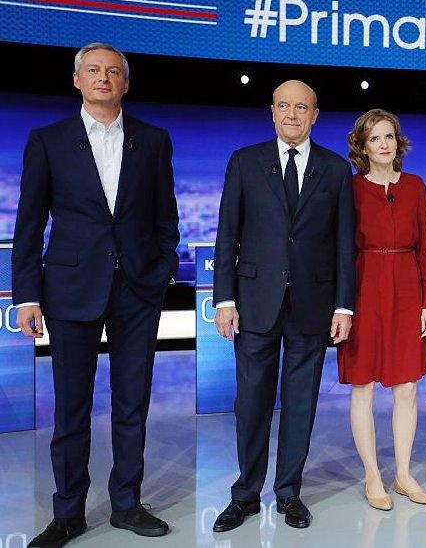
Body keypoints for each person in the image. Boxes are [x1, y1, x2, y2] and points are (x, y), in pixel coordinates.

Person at [12, 42, 178, 547]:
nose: (103, 78)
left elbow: (165, 217)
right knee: (71, 409)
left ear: (125, 83)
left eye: (113, 71)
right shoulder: (48, 141)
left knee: (132, 405)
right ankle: (68, 513)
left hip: (136, 293)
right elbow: (29, 223)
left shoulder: (152, 140)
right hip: (69, 291)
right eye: (93, 70)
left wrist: (161, 269)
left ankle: (126, 504)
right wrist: (26, 295)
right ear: (77, 80)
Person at [211, 80, 355, 531]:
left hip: (313, 305)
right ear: (271, 112)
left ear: (315, 115)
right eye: (284, 106)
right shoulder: (245, 162)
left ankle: (289, 492)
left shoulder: (335, 170)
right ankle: (246, 494)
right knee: (250, 401)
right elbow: (227, 234)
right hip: (254, 303)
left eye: (302, 107)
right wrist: (225, 298)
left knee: (301, 403)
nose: (292, 114)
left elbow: (344, 245)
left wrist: (343, 307)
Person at [338, 109, 426, 510]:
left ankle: (403, 474)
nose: (384, 144)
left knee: (407, 388)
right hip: (364, 290)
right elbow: (342, 249)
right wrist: (342, 306)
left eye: (389, 136)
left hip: (408, 291)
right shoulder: (351, 188)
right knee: (363, 387)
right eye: (375, 138)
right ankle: (372, 477)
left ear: (398, 143)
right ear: (362, 146)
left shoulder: (414, 186)